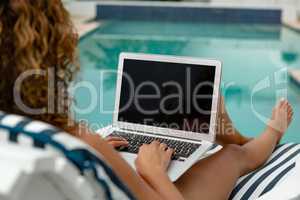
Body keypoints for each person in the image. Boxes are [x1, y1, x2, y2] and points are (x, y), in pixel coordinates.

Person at [0, 1, 294, 199]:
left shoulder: (21, 133)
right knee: (233, 155)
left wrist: (101, 154)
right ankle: (267, 133)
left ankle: (228, 135)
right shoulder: (84, 140)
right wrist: (151, 170)